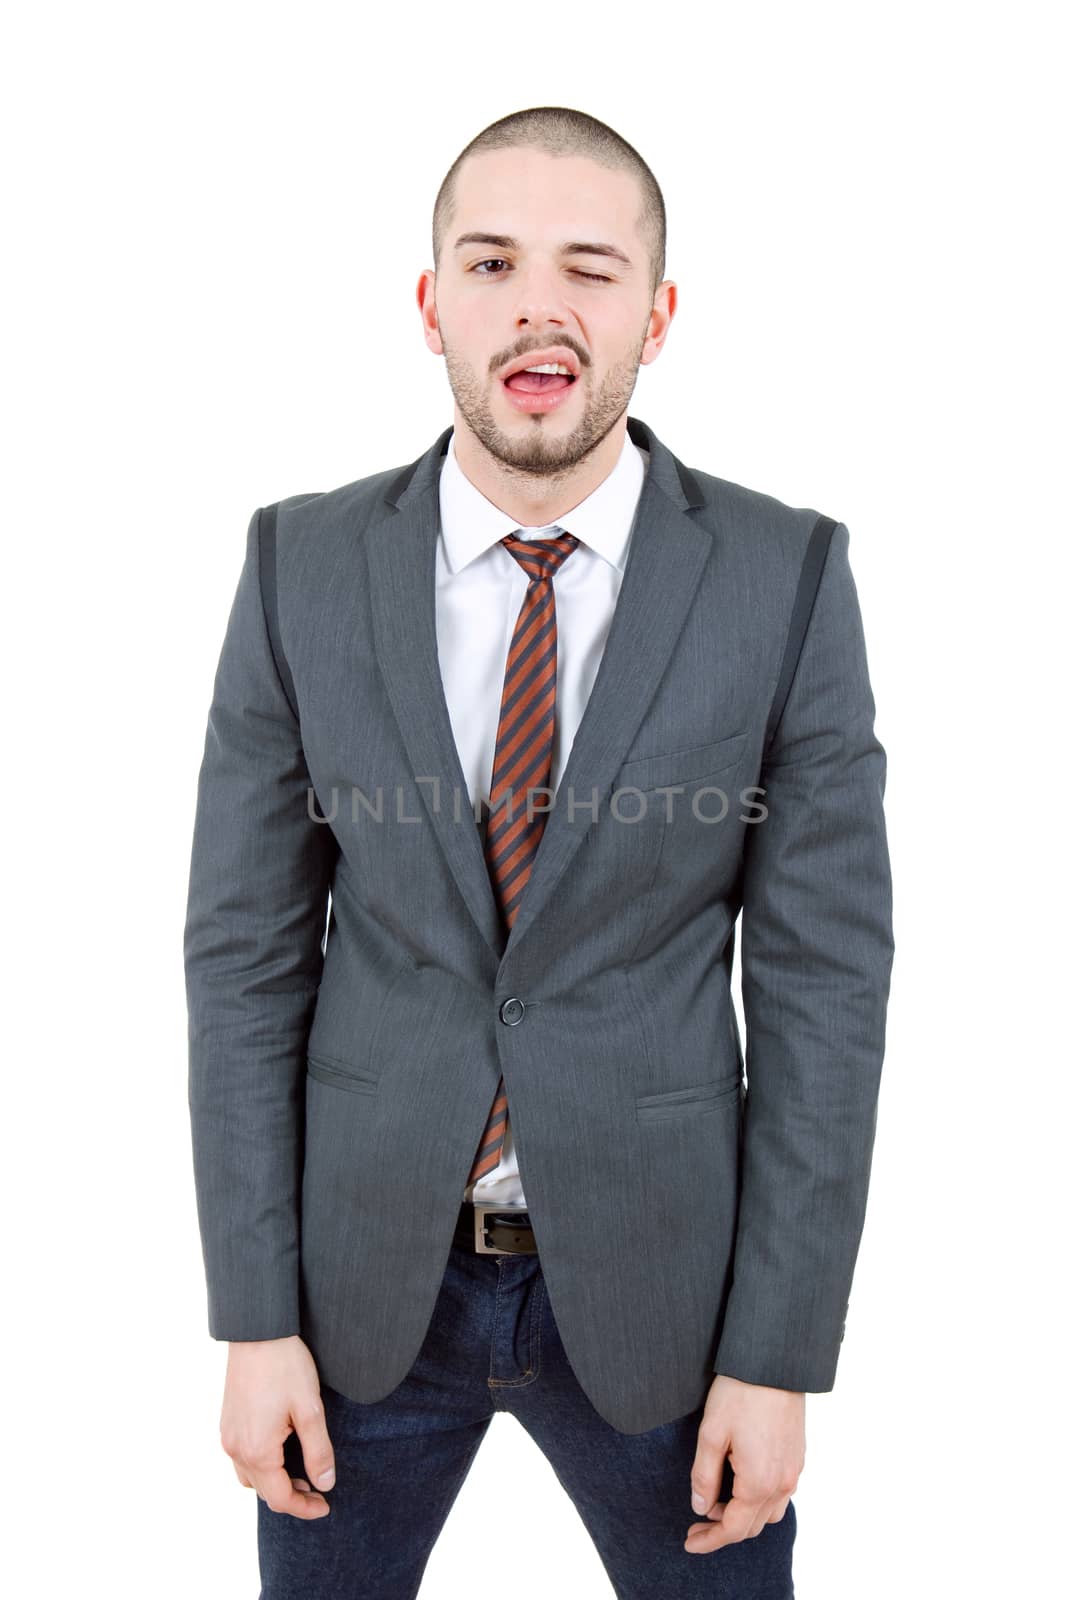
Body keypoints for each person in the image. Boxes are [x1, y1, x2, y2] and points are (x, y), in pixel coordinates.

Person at [184, 104, 894, 1599]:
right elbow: (243, 960)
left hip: (666, 1300)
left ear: (659, 312)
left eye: (592, 265)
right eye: (492, 260)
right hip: (360, 1288)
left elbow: (828, 991)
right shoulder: (297, 566)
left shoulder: (785, 578)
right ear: (432, 301)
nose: (539, 304)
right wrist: (254, 1320)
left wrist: (779, 1358)